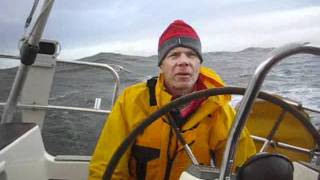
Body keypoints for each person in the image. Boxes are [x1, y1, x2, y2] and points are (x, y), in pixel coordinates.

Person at [89, 19, 256, 180]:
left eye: (191, 55)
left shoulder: (219, 109)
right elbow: (107, 166)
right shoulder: (131, 101)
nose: (183, 61)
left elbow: (241, 170)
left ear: (199, 63)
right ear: (161, 65)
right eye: (174, 55)